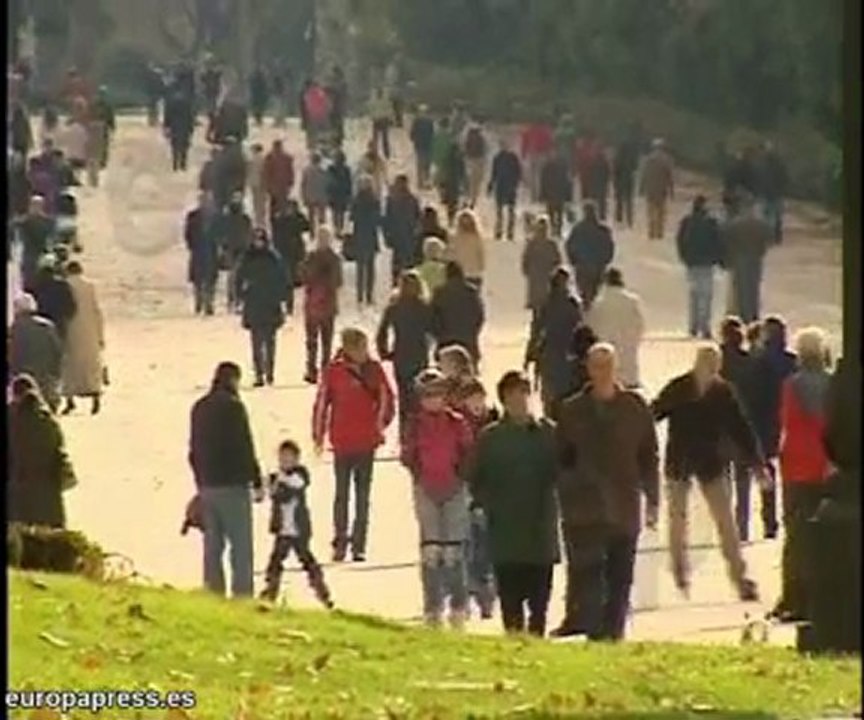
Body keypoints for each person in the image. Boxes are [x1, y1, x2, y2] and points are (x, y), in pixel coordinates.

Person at [554, 343, 659, 640]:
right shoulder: (572, 410)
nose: (601, 372)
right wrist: (570, 488)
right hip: (585, 509)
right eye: (596, 366)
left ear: (615, 368)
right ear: (588, 368)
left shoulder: (634, 408)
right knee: (589, 575)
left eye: (607, 366)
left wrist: (652, 499)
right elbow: (560, 457)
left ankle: (614, 634)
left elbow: (648, 455)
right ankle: (593, 630)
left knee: (620, 575)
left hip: (624, 505)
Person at [652, 344, 768, 601]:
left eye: (715, 365)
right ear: (698, 364)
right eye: (708, 364)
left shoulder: (722, 392)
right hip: (679, 459)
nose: (712, 370)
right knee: (678, 519)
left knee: (725, 521)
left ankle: (740, 578)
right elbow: (655, 412)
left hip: (710, 462)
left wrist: (758, 464)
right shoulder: (679, 387)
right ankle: (680, 570)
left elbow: (741, 429)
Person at [466, 371, 560, 637]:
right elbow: (474, 478)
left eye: (524, 393)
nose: (520, 400)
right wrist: (484, 505)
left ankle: (537, 648)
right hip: (506, 535)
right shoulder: (491, 438)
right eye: (513, 395)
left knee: (539, 606)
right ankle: (515, 651)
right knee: (511, 606)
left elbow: (564, 472)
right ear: (504, 400)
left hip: (540, 533)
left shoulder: (548, 433)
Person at [312, 328, 396, 562]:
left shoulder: (374, 370)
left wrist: (380, 425)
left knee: (362, 495)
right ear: (348, 348)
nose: (364, 352)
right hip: (342, 440)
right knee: (341, 494)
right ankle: (340, 541)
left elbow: (388, 399)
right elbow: (322, 404)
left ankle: (359, 544)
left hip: (366, 441)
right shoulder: (334, 371)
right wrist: (318, 435)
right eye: (359, 348)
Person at [400, 369, 473, 628]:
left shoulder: (456, 422)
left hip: (454, 489)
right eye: (428, 396)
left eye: (438, 395)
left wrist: (460, 475)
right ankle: (432, 605)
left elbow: (467, 451)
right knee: (431, 551)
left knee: (453, 551)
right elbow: (408, 453)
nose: (433, 400)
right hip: (426, 489)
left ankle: (459, 603)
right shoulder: (415, 424)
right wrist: (418, 473)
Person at [771, 328, 832, 623]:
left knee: (795, 535)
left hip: (795, 465)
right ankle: (821, 596)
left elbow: (786, 421)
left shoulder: (792, 385)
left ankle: (793, 597)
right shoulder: (834, 385)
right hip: (825, 465)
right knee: (823, 534)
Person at [189, 362, 263, 598]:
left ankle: (213, 593)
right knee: (241, 547)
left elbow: (193, 450)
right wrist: (257, 479)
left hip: (208, 485)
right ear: (234, 380)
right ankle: (242, 596)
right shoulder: (234, 407)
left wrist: (200, 482)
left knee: (212, 547)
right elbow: (244, 445)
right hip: (233, 485)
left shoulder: (199, 407)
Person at [260, 440, 334, 608]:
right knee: (275, 562)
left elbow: (296, 484)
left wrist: (278, 479)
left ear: (296, 459)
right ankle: (270, 592)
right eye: (282, 458)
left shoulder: (300, 475)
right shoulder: (276, 478)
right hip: (283, 531)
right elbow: (268, 491)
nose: (285, 461)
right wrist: (266, 483)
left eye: (289, 458)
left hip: (299, 531)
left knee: (307, 561)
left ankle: (322, 592)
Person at [749, 316, 798, 539]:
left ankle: (769, 522)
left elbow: (752, 398)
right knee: (791, 473)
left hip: (763, 422)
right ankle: (790, 516)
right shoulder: (792, 361)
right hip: (790, 422)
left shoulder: (756, 361)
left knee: (767, 471)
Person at [8, 374, 76, 528]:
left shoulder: (11, 418)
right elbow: (58, 449)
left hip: (16, 493)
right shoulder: (48, 420)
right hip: (47, 492)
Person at [456, 379, 500, 619]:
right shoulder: (460, 424)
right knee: (474, 543)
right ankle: (475, 593)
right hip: (470, 488)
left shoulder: (495, 421)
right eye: (471, 399)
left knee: (489, 544)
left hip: (494, 489)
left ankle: (487, 595)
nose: (477, 403)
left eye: (479, 398)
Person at [718, 317, 762, 542]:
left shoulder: (716, 361)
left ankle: (726, 528)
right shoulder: (750, 363)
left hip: (719, 430)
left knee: (722, 481)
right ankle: (742, 527)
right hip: (743, 428)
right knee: (743, 481)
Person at [376, 270, 434, 431]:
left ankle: (405, 430)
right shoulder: (424, 307)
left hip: (400, 354)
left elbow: (381, 333)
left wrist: (384, 352)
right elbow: (434, 328)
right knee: (419, 393)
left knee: (403, 395)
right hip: (420, 353)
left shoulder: (394, 308)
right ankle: (418, 428)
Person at [525, 267, 584, 419]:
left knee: (550, 399)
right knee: (568, 398)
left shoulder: (545, 305)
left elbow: (536, 332)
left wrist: (529, 356)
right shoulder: (573, 305)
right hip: (569, 358)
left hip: (550, 358)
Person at [236, 229, 286, 387]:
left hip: (270, 304)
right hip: (254, 304)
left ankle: (270, 372)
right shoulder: (247, 258)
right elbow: (239, 278)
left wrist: (283, 298)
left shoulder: (273, 258)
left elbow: (283, 279)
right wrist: (240, 295)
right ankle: (259, 373)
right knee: (256, 342)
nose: (258, 243)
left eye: (260, 240)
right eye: (256, 239)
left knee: (270, 342)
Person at [586, 268, 646, 390]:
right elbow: (640, 323)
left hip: (606, 343)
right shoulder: (632, 300)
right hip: (628, 343)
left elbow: (591, 325)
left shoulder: (599, 302)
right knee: (629, 375)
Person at [59, 262, 104, 416]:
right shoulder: (90, 287)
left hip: (71, 329)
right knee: (91, 365)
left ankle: (70, 401)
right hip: (89, 330)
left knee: (70, 366)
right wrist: (100, 334)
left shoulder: (64, 286)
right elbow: (97, 310)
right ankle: (96, 398)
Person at [676, 195, 724, 338]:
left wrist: (684, 257)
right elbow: (718, 242)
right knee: (706, 296)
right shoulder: (711, 223)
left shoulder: (687, 222)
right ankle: (705, 326)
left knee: (694, 295)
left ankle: (693, 326)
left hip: (692, 263)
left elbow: (680, 241)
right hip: (707, 263)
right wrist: (718, 259)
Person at [300, 226, 343, 384]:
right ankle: (313, 368)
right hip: (318, 304)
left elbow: (337, 281)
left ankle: (323, 369)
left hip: (321, 304)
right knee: (314, 340)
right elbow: (303, 276)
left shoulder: (327, 258)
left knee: (324, 340)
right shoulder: (315, 257)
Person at [721, 196, 773, 323]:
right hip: (756, 258)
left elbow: (726, 239)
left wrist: (728, 255)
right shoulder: (761, 224)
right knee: (754, 287)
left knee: (740, 287)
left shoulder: (735, 224)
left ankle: (741, 313)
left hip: (740, 258)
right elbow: (770, 239)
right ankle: (753, 313)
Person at [9, 294, 64, 413]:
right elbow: (57, 350)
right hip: (46, 372)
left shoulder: (15, 328)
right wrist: (56, 370)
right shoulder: (47, 325)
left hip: (25, 372)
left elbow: (12, 352)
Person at [431, 262, 485, 366]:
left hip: (446, 340)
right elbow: (479, 315)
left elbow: (433, 317)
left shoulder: (439, 293)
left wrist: (438, 334)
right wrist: (474, 331)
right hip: (468, 339)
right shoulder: (471, 291)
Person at [565, 201, 615, 310]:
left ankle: (587, 310)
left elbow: (569, 246)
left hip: (582, 266)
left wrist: (573, 260)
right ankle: (592, 312)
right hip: (597, 267)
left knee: (583, 292)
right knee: (595, 292)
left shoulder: (578, 229)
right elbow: (609, 247)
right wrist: (605, 261)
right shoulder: (602, 230)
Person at [213, 193, 254, 312]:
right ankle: (233, 300)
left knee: (237, 276)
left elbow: (249, 234)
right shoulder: (230, 219)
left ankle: (236, 300)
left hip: (240, 250)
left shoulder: (243, 219)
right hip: (231, 250)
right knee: (234, 276)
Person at [270, 200, 310, 315]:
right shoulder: (280, 220)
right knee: (284, 281)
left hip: (295, 254)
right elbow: (275, 233)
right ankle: (284, 303)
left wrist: (298, 215)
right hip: (283, 254)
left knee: (291, 282)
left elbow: (306, 226)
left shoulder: (297, 219)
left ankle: (289, 306)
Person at [183, 193, 220, 317]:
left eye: (209, 201)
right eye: (204, 201)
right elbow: (187, 233)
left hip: (212, 251)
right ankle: (199, 302)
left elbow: (221, 233)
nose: (206, 204)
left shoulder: (216, 217)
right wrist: (192, 245)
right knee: (198, 280)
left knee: (211, 279)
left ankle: (209, 303)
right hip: (198, 251)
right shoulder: (193, 217)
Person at [521, 215, 563, 323]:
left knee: (537, 306)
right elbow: (558, 260)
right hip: (546, 277)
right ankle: (541, 325)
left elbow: (526, 259)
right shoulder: (550, 244)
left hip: (537, 277)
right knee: (545, 304)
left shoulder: (532, 243)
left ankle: (536, 326)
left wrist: (527, 270)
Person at [349, 176, 382, 308]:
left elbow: (352, 217)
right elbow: (378, 219)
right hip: (371, 235)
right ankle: (369, 295)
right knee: (370, 267)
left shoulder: (356, 201)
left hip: (359, 235)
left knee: (360, 268)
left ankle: (359, 296)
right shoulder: (375, 200)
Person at [384, 174, 421, 285]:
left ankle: (407, 284)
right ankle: (396, 284)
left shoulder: (412, 199)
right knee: (398, 263)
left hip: (408, 235)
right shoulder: (392, 200)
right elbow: (387, 219)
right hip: (398, 236)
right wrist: (387, 234)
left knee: (408, 263)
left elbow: (417, 216)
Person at [31, 256, 77, 343]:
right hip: (59, 324)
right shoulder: (62, 285)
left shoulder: (35, 286)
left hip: (40, 327)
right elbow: (71, 307)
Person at [18, 195, 56, 292]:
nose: (35, 207)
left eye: (37, 205)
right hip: (31, 255)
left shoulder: (48, 222)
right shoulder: (24, 222)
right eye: (34, 205)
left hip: (38, 254)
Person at [639, 138, 675, 240]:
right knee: (661, 212)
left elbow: (644, 175)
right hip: (662, 189)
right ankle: (659, 232)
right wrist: (672, 191)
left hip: (650, 189)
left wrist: (641, 189)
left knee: (650, 211)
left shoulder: (648, 159)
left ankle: (651, 231)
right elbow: (670, 176)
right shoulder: (667, 159)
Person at [488, 139, 522, 241]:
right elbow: (518, 172)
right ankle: (507, 232)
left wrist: (491, 185)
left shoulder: (498, 158)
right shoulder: (511, 157)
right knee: (507, 210)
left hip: (503, 186)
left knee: (503, 211)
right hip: (507, 186)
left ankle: (502, 231)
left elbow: (494, 173)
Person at [754, 141, 787, 244]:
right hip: (771, 194)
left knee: (772, 216)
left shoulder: (760, 164)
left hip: (770, 194)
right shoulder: (776, 163)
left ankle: (773, 237)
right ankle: (774, 237)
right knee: (772, 216)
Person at [575, 131, 610, 220]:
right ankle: (601, 215)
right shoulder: (596, 149)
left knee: (589, 196)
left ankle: (589, 214)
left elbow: (579, 162)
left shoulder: (582, 148)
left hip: (587, 176)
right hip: (594, 176)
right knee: (600, 197)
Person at [447, 209, 486, 291]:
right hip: (460, 274)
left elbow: (481, 253)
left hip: (473, 274)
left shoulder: (476, 237)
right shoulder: (454, 237)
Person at [613, 128, 641, 228]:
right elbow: (635, 168)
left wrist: (614, 183)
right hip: (629, 181)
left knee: (619, 202)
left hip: (620, 181)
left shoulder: (618, 159)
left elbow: (615, 171)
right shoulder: (631, 157)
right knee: (629, 202)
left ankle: (619, 221)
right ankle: (629, 221)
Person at [539, 152, 572, 237]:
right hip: (554, 194)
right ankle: (555, 228)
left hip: (556, 193)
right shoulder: (551, 168)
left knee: (557, 213)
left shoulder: (549, 168)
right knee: (554, 213)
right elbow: (543, 181)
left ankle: (557, 229)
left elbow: (566, 182)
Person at [520, 119, 554, 202]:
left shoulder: (528, 131)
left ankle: (533, 196)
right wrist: (550, 155)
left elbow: (524, 144)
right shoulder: (546, 131)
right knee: (542, 176)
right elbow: (550, 144)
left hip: (533, 154)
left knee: (533, 177)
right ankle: (541, 196)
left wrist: (523, 155)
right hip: (543, 155)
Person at [163, 89, 195, 172]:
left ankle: (175, 164)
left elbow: (167, 116)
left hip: (174, 126)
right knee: (184, 146)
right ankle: (183, 164)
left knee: (174, 145)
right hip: (184, 126)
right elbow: (190, 116)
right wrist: (191, 128)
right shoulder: (187, 104)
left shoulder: (171, 104)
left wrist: (166, 126)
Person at [263, 140, 295, 216]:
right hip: (282, 185)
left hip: (275, 186)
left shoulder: (270, 157)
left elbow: (267, 172)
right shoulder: (287, 157)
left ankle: (276, 220)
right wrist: (290, 182)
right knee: (282, 203)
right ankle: (282, 219)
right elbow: (290, 171)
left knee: (275, 205)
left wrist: (267, 185)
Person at [438, 141, 467, 227]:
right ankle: (451, 218)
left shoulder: (448, 159)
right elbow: (463, 173)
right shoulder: (459, 160)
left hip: (451, 184)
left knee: (452, 202)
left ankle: (451, 218)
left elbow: (442, 171)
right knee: (452, 203)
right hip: (452, 184)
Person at [300, 152, 329, 235]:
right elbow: (327, 183)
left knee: (311, 217)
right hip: (322, 196)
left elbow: (303, 184)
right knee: (322, 217)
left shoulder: (306, 170)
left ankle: (312, 233)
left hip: (310, 196)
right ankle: (322, 232)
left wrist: (303, 196)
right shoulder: (324, 170)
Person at [326, 150, 352, 235]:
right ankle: (338, 228)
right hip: (339, 193)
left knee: (338, 212)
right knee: (338, 212)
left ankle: (338, 229)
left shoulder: (333, 169)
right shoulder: (333, 169)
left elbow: (349, 182)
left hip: (338, 193)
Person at [463, 122, 488, 209]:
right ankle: (473, 200)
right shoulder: (481, 138)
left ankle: (466, 199)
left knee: (469, 182)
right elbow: (484, 151)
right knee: (476, 183)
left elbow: (465, 150)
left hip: (470, 160)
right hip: (479, 161)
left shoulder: (468, 138)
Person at [410, 104, 436, 190]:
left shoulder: (417, 121)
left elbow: (412, 133)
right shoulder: (429, 121)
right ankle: (424, 182)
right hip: (426, 144)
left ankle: (421, 182)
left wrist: (414, 140)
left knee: (421, 164)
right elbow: (432, 133)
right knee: (426, 164)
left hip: (421, 144)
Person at [368, 87, 392, 159]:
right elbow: (371, 109)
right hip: (377, 120)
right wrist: (372, 117)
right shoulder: (374, 101)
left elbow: (389, 109)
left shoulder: (385, 101)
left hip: (383, 120)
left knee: (384, 138)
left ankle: (386, 153)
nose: (379, 94)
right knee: (376, 138)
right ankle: (375, 152)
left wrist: (389, 117)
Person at [247, 143, 267, 228]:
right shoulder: (263, 158)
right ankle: (261, 219)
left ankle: (257, 218)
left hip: (254, 182)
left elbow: (248, 170)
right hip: (261, 182)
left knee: (256, 201)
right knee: (261, 201)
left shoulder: (252, 159)